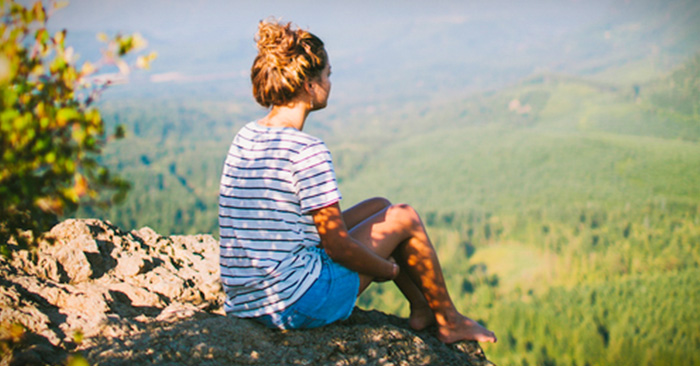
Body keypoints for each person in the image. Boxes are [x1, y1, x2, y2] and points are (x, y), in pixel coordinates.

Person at [218, 18, 497, 344]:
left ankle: (422, 306)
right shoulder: (307, 151)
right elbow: (337, 246)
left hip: (245, 301)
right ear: (310, 86)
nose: (330, 82)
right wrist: (386, 269)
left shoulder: (247, 135)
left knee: (380, 206)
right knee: (403, 216)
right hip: (296, 302)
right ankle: (450, 320)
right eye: (328, 75)